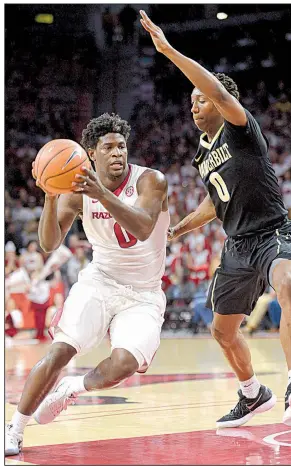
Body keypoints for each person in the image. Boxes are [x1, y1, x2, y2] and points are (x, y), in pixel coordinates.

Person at [140, 11, 291, 428]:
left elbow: (217, 90)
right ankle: (252, 394)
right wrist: (178, 229)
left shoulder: (239, 127)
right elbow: (215, 203)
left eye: (201, 98)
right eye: (191, 100)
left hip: (273, 232)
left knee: (290, 285)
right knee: (222, 331)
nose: (193, 104)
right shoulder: (204, 154)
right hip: (238, 244)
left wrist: (168, 50)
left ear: (221, 101)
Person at [5, 113, 169, 455]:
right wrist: (51, 196)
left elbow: (141, 228)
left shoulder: (150, 181)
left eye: (121, 146)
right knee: (60, 350)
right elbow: (49, 243)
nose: (117, 153)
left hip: (143, 293)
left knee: (124, 363)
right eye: (108, 147)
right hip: (100, 281)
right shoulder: (77, 191)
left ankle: (72, 389)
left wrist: (102, 194)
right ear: (91, 153)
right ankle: (15, 428)